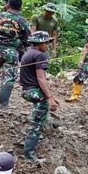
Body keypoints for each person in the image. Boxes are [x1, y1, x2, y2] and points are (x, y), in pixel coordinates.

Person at [20, 31, 60, 161]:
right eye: (46, 42)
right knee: (36, 123)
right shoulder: (40, 55)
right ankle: (29, 155)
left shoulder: (28, 52)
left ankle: (41, 128)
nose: (48, 45)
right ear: (40, 43)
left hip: (27, 90)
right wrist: (49, 98)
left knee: (39, 116)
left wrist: (51, 96)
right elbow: (41, 79)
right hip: (34, 91)